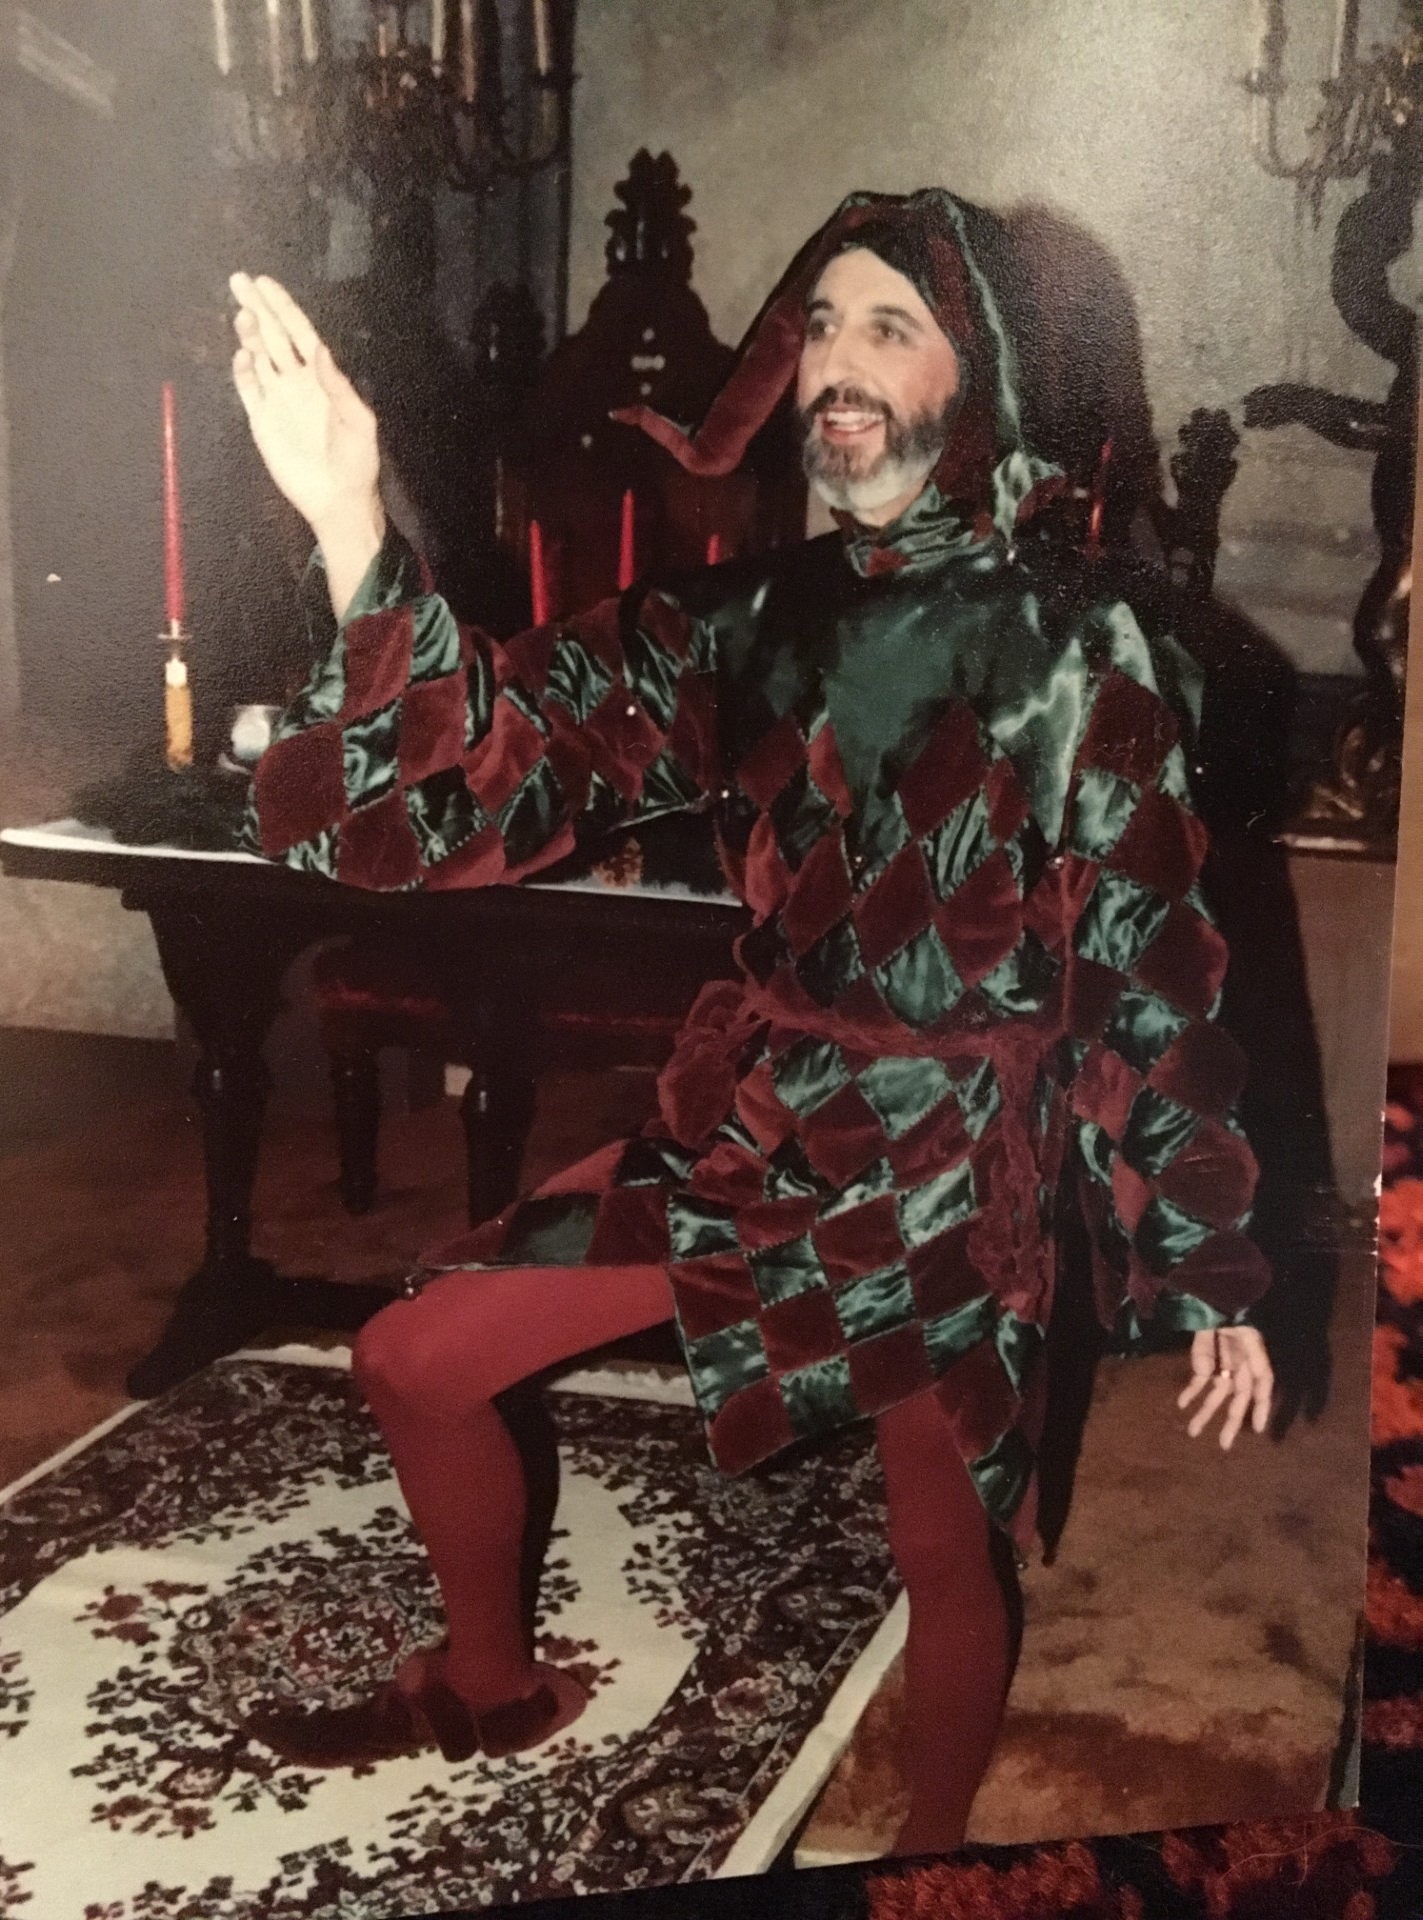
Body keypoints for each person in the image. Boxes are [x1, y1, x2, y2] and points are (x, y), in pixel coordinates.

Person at [229, 187, 1275, 1857]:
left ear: (971, 378)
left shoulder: (1084, 636)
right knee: (416, 1355)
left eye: (889, 328)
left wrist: (1209, 1260)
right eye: (822, 329)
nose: (837, 367)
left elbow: (1150, 948)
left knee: (940, 1544)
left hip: (959, 1173)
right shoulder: (745, 616)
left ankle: (929, 1858)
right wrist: (352, 521)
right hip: (760, 1125)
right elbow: (489, 770)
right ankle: (489, 1682)